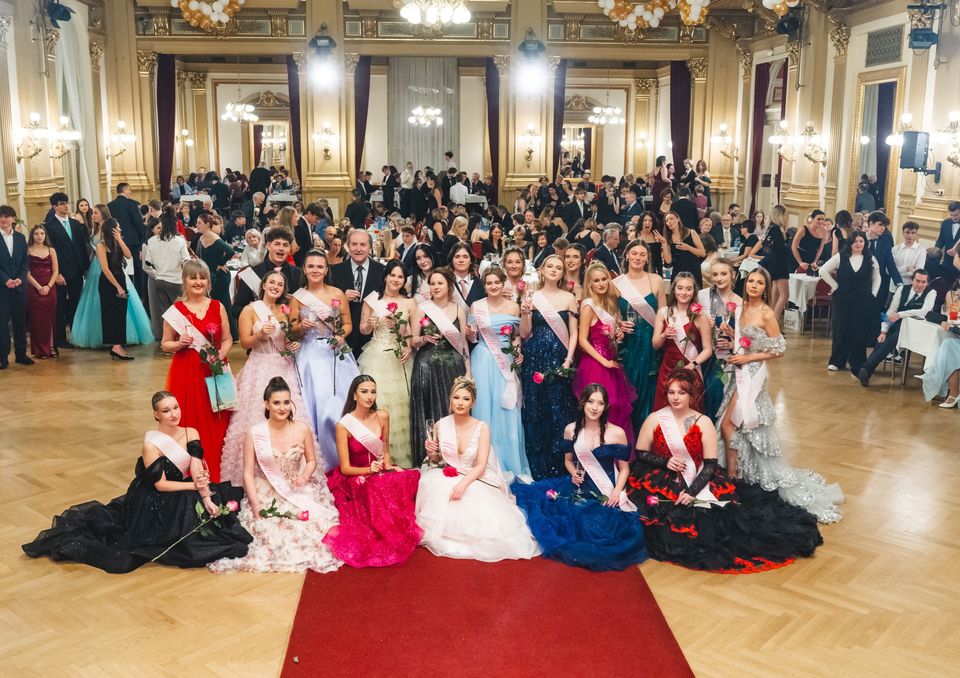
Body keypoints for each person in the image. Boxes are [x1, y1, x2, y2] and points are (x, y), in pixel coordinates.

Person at [23, 391, 251, 572]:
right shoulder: (151, 445)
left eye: (176, 407)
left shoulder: (191, 432)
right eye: (166, 410)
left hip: (183, 486)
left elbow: (195, 466)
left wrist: (205, 494)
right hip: (154, 496)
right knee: (187, 505)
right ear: (156, 415)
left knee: (208, 500)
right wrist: (194, 486)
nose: (174, 414)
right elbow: (161, 485)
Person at [626, 369, 822, 573]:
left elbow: (710, 464)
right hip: (659, 477)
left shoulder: (703, 422)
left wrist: (692, 491)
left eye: (681, 393)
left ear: (691, 395)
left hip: (698, 477)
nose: (675, 398)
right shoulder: (655, 418)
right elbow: (641, 453)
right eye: (671, 392)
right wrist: (665, 461)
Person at [715, 268, 844, 522]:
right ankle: (739, 472)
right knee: (739, 425)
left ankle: (733, 476)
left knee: (730, 424)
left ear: (766, 288)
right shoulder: (741, 307)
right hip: (739, 370)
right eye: (751, 281)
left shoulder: (766, 313)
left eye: (759, 283)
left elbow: (778, 349)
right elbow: (747, 340)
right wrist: (732, 336)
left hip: (753, 373)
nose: (754, 285)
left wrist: (748, 357)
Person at [210, 377, 342, 574]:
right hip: (267, 491)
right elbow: (247, 473)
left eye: (286, 402)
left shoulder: (302, 428)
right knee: (271, 531)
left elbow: (311, 461)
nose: (282, 408)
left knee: (312, 527)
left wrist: (305, 475)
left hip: (297, 489)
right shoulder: (254, 433)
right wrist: (255, 503)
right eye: (277, 403)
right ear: (267, 404)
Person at [511, 384, 647, 570]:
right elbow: (568, 461)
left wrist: (617, 492)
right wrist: (573, 473)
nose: (595, 407)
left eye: (600, 403)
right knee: (576, 519)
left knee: (604, 528)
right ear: (583, 402)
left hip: (606, 488)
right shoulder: (571, 429)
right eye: (591, 401)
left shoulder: (617, 433)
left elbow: (624, 469)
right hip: (579, 487)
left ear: (606, 406)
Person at [416, 377, 541, 561]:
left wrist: (463, 484)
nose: (460, 403)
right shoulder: (441, 425)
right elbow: (436, 459)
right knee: (437, 485)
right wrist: (431, 452)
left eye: (466, 399)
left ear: (473, 402)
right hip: (448, 472)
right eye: (456, 398)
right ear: (450, 399)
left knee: (472, 494)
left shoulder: (482, 428)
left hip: (474, 473)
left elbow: (481, 465)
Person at [220, 269, 314, 486]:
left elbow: (287, 339)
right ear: (263, 285)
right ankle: (255, 473)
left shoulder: (284, 310)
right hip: (258, 366)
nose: (275, 287)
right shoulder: (250, 310)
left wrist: (292, 344)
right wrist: (261, 334)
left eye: (280, 284)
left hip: (282, 366)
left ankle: (290, 467)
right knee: (254, 416)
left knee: (290, 412)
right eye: (272, 282)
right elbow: (244, 342)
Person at [321, 375, 423, 567]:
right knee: (378, 489)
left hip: (379, 472)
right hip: (355, 475)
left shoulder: (382, 416)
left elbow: (385, 450)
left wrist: (389, 466)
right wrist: (369, 469)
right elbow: (345, 468)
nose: (369, 396)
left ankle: (395, 527)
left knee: (406, 479)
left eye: (373, 392)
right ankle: (384, 531)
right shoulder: (344, 425)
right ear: (354, 395)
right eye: (364, 392)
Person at [160, 260, 234, 482]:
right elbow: (165, 344)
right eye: (193, 278)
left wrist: (220, 354)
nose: (198, 282)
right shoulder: (176, 311)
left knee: (217, 419)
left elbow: (228, 339)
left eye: (202, 278)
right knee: (189, 419)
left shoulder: (218, 306)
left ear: (208, 282)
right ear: (185, 281)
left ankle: (218, 471)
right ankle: (191, 470)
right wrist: (179, 343)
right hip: (187, 372)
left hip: (215, 371)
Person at [291, 250, 361, 472]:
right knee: (317, 402)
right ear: (304, 269)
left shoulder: (337, 293)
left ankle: (348, 457)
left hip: (335, 353)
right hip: (309, 356)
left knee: (342, 402)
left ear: (326, 270)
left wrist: (341, 335)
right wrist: (300, 327)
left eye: (320, 266)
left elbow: (348, 324)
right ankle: (321, 458)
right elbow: (291, 330)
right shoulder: (297, 297)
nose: (315, 270)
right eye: (311, 266)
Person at [466, 267, 529, 478]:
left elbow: (517, 336)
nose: (493, 286)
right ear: (484, 286)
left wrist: (517, 350)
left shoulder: (513, 307)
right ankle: (485, 462)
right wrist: (470, 334)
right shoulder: (476, 306)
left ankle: (509, 462)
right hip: (482, 359)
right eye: (489, 283)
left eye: (497, 282)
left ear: (503, 284)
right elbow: (472, 338)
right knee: (484, 407)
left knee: (507, 408)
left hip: (505, 359)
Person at [519, 255, 578, 480]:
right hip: (534, 359)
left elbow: (573, 333)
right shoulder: (531, 295)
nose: (554, 270)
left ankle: (560, 463)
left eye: (558, 268)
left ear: (563, 273)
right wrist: (525, 313)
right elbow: (525, 333)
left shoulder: (569, 298)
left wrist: (568, 360)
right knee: (537, 408)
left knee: (559, 408)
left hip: (559, 360)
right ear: (542, 270)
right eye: (550, 266)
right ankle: (538, 463)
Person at [409, 267, 470, 466]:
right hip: (426, 366)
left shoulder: (459, 310)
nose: (435, 287)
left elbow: (463, 343)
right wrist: (424, 338)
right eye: (432, 283)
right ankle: (430, 458)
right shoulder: (422, 308)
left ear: (449, 285)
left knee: (451, 408)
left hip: (452, 366)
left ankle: (454, 456)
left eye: (440, 283)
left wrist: (468, 370)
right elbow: (413, 340)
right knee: (428, 411)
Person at [357, 260, 415, 468]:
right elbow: (363, 329)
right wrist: (369, 324)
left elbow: (410, 334)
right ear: (386, 276)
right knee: (376, 403)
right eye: (393, 275)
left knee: (401, 408)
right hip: (376, 356)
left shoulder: (409, 303)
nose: (396, 280)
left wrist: (406, 344)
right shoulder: (373, 300)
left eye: (400, 277)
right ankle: (374, 459)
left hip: (398, 358)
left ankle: (399, 459)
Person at [72, 204, 153, 350]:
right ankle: (108, 340)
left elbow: (127, 255)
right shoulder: (96, 230)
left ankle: (119, 340)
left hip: (113, 267)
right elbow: (96, 251)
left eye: (95, 213)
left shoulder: (111, 229)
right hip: (98, 267)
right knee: (101, 303)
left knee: (119, 306)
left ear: (103, 213)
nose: (93, 215)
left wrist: (119, 239)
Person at [575, 262, 637, 442]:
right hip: (595, 364)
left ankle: (612, 449)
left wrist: (617, 335)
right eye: (596, 280)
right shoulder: (588, 306)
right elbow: (582, 340)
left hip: (610, 362)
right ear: (590, 284)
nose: (601, 283)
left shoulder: (609, 303)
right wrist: (604, 362)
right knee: (596, 408)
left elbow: (608, 336)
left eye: (604, 279)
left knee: (612, 406)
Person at [615, 240, 666, 430]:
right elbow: (613, 314)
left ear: (647, 259)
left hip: (651, 341)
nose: (638, 257)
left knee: (649, 387)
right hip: (629, 343)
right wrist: (619, 324)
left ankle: (646, 434)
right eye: (634, 253)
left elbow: (663, 312)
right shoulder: (616, 283)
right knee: (629, 387)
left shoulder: (656, 280)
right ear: (627, 255)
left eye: (642, 254)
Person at [858, 270, 935, 387]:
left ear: (927, 283)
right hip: (897, 325)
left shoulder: (931, 292)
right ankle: (866, 370)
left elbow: (924, 311)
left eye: (923, 282)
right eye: (917, 281)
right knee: (882, 339)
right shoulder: (902, 289)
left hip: (915, 329)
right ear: (912, 280)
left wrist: (900, 314)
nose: (920, 284)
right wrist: (883, 331)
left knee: (894, 338)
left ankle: (866, 369)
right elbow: (891, 312)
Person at [820, 231, 881, 374]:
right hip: (843, 299)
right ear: (850, 243)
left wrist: (873, 293)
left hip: (863, 300)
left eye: (861, 241)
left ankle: (857, 362)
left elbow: (877, 277)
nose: (858, 244)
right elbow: (823, 271)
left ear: (865, 243)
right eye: (855, 241)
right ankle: (837, 361)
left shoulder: (870, 258)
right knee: (840, 328)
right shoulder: (840, 257)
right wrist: (835, 286)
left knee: (859, 329)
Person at [651, 272, 713, 412]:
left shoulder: (700, 316)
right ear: (673, 289)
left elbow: (708, 349)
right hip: (667, 370)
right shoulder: (664, 312)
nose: (684, 292)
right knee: (665, 409)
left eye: (688, 289)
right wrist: (664, 334)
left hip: (690, 369)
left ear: (694, 292)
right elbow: (655, 345)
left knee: (690, 410)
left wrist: (692, 365)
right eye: (680, 288)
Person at [44, 192, 90, 349]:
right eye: (61, 203)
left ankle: (76, 335)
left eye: (66, 202)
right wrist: (57, 273)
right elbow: (51, 251)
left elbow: (82, 247)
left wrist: (85, 267)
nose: (65, 206)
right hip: (61, 272)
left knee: (76, 303)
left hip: (77, 270)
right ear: (54, 206)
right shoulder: (49, 226)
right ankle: (60, 338)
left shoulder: (75, 223)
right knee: (60, 305)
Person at [329, 229, 385, 357]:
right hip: (344, 336)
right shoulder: (335, 271)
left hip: (373, 338)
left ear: (370, 247)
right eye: (354, 244)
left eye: (363, 244)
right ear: (347, 246)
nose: (358, 249)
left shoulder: (382, 271)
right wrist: (342, 299)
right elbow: (327, 303)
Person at [144, 206, 191, 341]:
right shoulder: (179, 241)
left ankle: (167, 340)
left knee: (165, 314)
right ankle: (182, 339)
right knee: (181, 313)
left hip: (159, 280)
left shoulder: (152, 241)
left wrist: (158, 272)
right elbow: (186, 261)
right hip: (176, 280)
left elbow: (148, 263)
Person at [96, 218, 135, 360]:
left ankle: (118, 346)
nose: (120, 229)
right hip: (108, 283)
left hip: (120, 279)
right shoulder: (101, 245)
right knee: (111, 314)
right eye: (118, 227)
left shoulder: (118, 242)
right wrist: (117, 287)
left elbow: (129, 255)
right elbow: (105, 269)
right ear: (112, 229)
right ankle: (116, 346)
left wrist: (119, 239)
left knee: (121, 313)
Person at [0, 205, 31, 369]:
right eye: (0, 216)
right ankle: (2, 357)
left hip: (19, 288)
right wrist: (5, 279)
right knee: (2, 324)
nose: (3, 219)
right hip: (2, 288)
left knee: (20, 322)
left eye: (6, 216)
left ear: (13, 218)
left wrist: (20, 278)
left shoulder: (20, 238)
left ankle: (21, 354)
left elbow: (25, 262)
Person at [107, 183, 146, 299]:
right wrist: (144, 237)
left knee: (120, 267)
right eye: (129, 189)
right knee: (137, 269)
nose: (130, 191)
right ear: (124, 190)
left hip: (116, 241)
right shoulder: (131, 203)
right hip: (133, 242)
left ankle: (122, 289)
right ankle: (138, 294)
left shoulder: (110, 205)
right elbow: (138, 223)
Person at [25, 225, 58, 360]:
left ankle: (51, 347)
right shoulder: (27, 250)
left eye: (42, 233)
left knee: (50, 318)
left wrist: (48, 286)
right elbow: (26, 272)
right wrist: (39, 287)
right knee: (37, 319)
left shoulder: (51, 250)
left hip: (50, 287)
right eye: (36, 234)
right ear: (32, 236)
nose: (39, 236)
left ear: (45, 235)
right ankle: (40, 350)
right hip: (34, 288)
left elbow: (56, 271)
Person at [758, 204, 791, 319]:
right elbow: (781, 248)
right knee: (785, 295)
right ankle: (774, 322)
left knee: (775, 294)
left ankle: (769, 319)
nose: (787, 217)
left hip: (774, 262)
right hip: (779, 264)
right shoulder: (776, 229)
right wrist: (789, 247)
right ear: (780, 215)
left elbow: (766, 246)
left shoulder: (771, 228)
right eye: (785, 215)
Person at [664, 210, 706, 286]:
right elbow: (668, 261)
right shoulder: (668, 238)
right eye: (667, 220)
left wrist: (688, 247)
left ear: (678, 219)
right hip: (677, 271)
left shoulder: (691, 232)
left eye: (671, 219)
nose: (669, 222)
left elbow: (702, 253)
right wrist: (664, 243)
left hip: (692, 269)